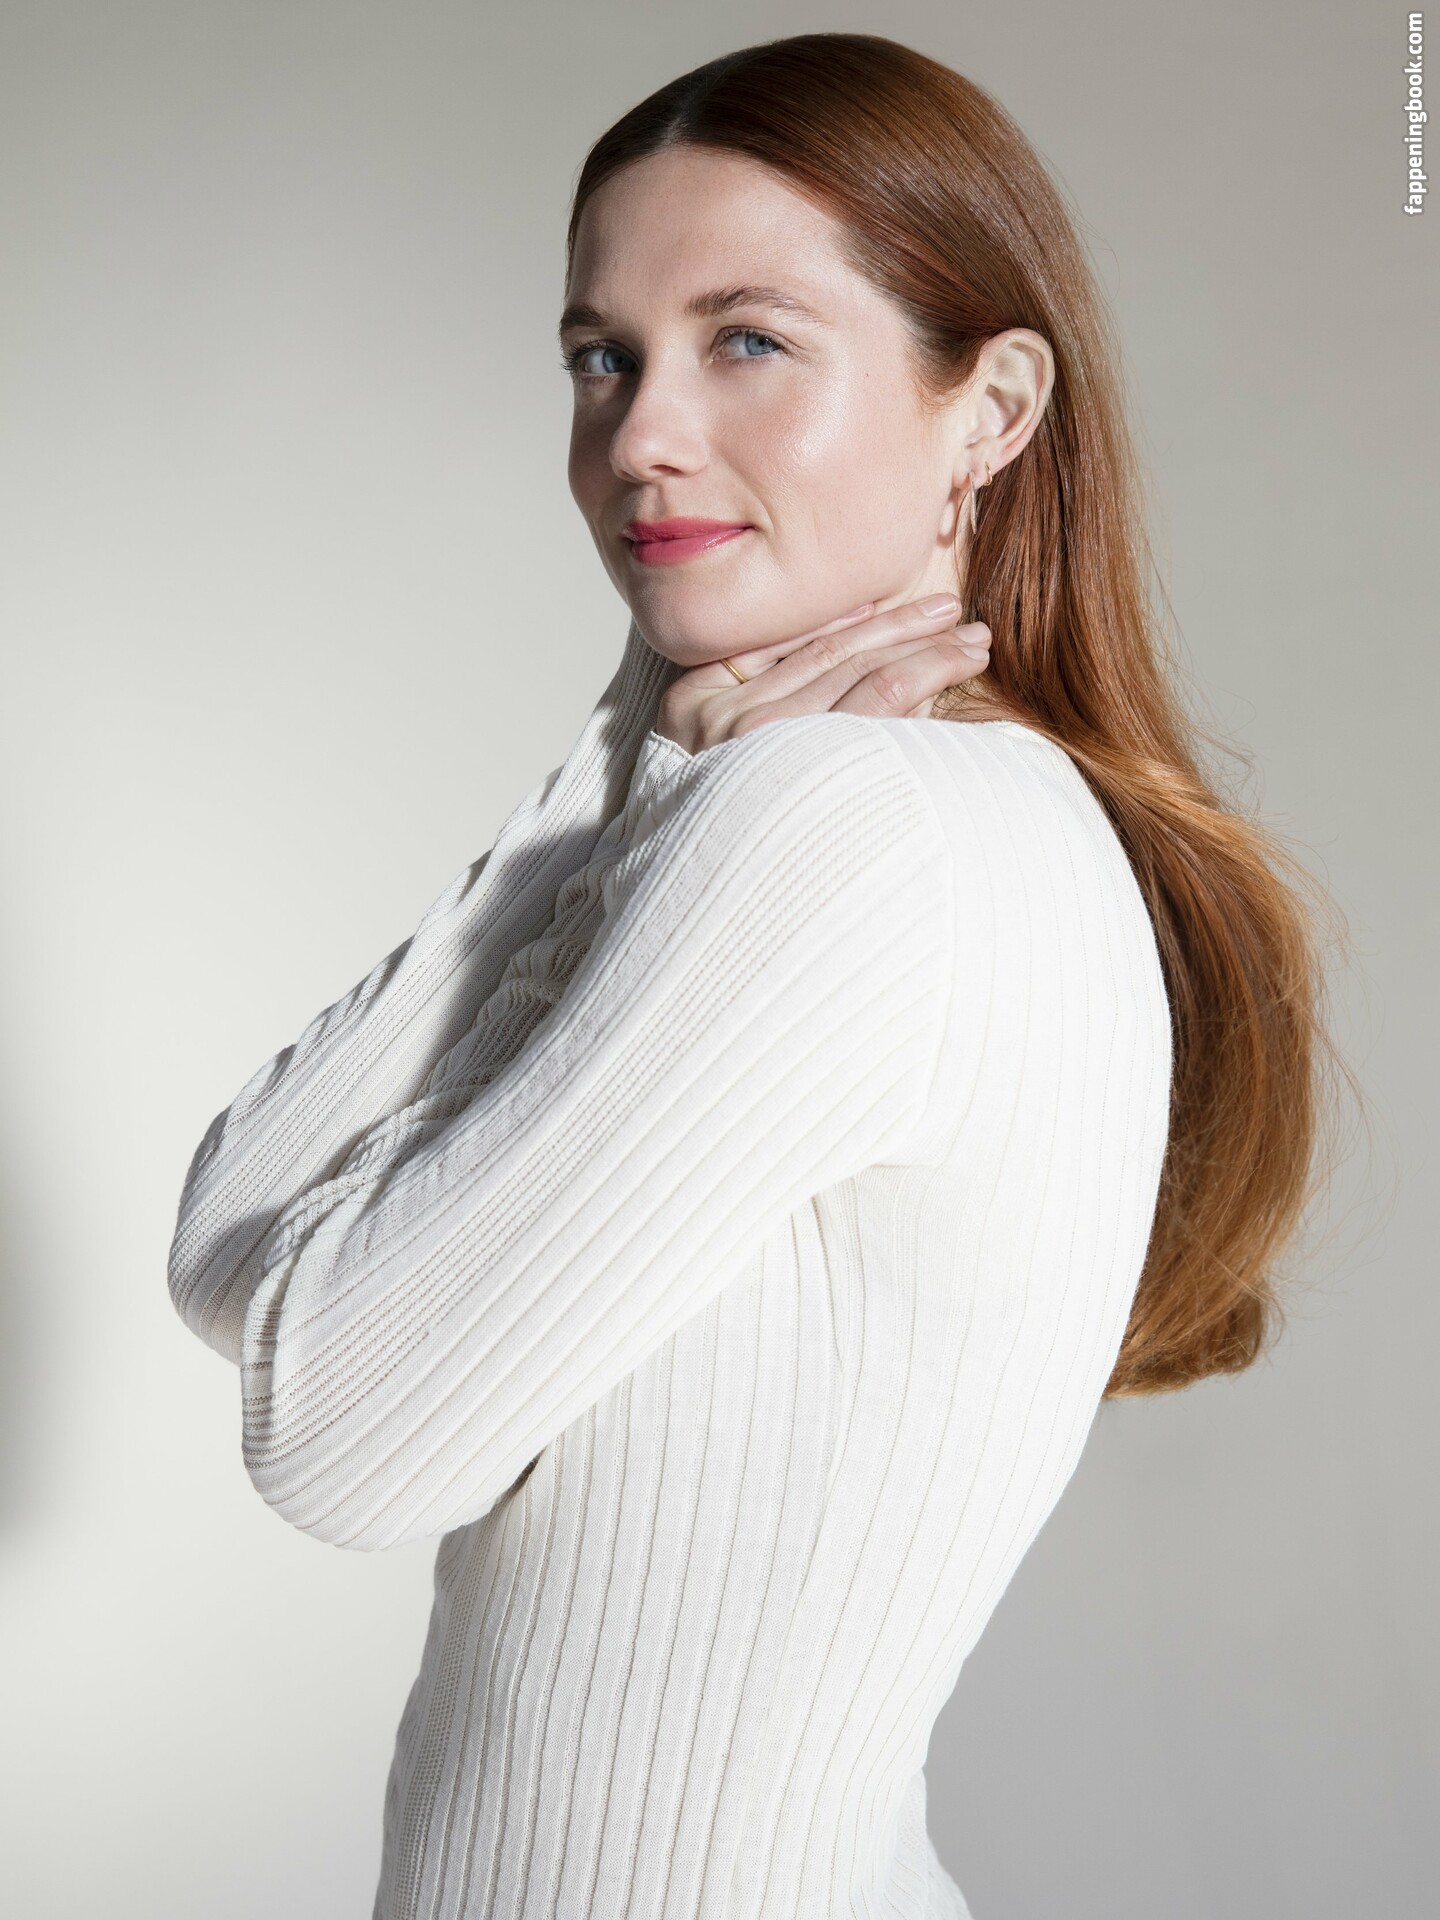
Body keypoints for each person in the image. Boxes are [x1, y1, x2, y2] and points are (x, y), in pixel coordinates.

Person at [166, 32, 1335, 1920]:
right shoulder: (962, 807)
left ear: (990, 409)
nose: (640, 436)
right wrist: (635, 764)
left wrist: (658, 795)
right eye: (601, 356)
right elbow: (230, 1243)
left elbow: (335, 1437)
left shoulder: (845, 822)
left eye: (749, 341)